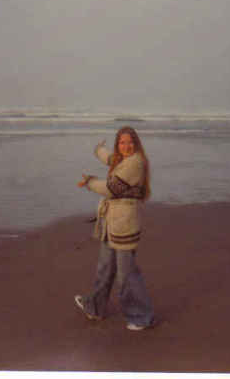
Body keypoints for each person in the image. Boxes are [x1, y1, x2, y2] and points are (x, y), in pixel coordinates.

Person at [75, 126, 155, 330]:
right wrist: (98, 149)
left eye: (130, 142)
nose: (126, 146)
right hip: (112, 223)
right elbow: (111, 158)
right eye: (121, 142)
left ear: (136, 144)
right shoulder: (122, 159)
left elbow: (112, 189)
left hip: (125, 226)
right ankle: (95, 307)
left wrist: (90, 182)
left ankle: (141, 316)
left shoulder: (135, 163)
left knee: (126, 274)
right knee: (105, 268)